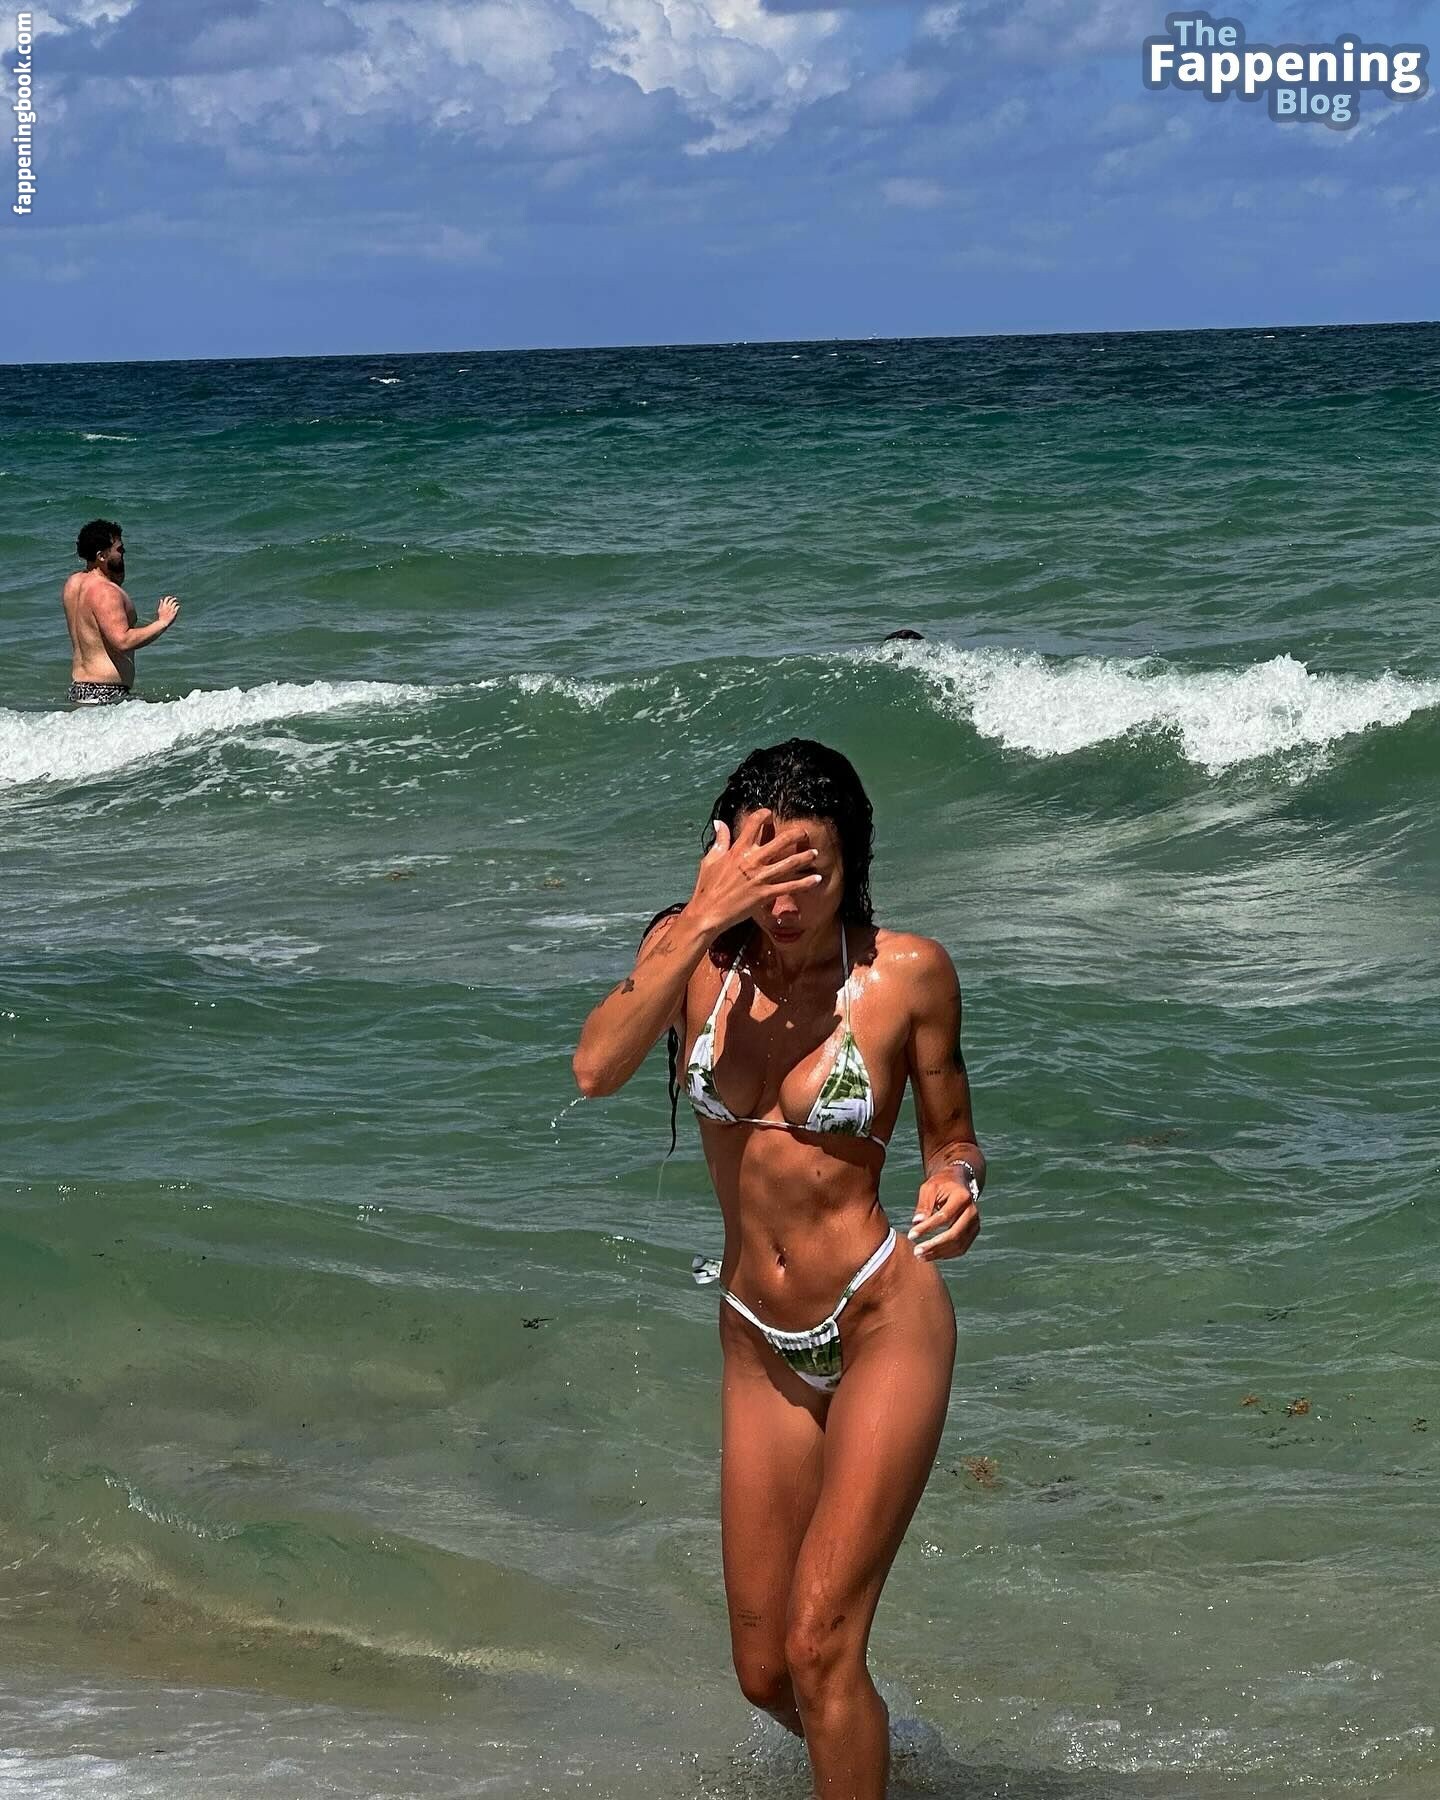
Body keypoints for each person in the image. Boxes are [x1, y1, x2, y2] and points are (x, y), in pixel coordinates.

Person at [573, 738, 985, 1800]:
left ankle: (854, 1741)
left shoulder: (907, 975)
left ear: (854, 866)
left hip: (882, 1315)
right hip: (758, 1338)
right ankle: (881, 1760)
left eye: (813, 870)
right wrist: (705, 914)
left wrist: (956, 1183)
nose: (789, 900)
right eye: (768, 869)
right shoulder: (694, 957)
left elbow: (952, 1137)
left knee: (820, 1646)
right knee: (767, 1675)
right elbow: (596, 1068)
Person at [62, 520, 180, 705]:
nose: (123, 554)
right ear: (101, 556)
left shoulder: (74, 583)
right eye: (119, 550)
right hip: (106, 693)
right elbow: (122, 641)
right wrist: (162, 622)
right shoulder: (105, 591)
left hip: (79, 690)